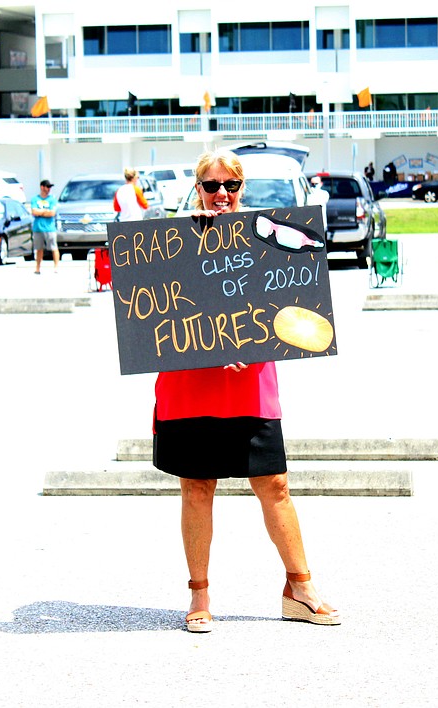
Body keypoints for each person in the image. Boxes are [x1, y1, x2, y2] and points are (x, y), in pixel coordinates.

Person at [154, 148, 340, 633]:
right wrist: (185, 234)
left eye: (230, 186)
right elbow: (150, 308)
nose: (221, 195)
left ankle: (299, 588)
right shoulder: (171, 239)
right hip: (189, 383)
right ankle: (199, 594)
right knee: (196, 487)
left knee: (275, 485)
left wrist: (247, 340)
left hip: (250, 382)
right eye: (211, 185)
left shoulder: (266, 236)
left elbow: (289, 304)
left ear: (242, 189)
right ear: (197, 188)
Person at [30, 179, 60, 274]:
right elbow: (34, 212)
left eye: (50, 187)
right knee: (39, 249)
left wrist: (41, 212)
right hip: (38, 228)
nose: (49, 189)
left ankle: (56, 267)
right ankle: (38, 268)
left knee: (53, 248)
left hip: (49, 228)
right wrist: (44, 212)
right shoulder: (35, 199)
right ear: (42, 187)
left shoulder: (52, 200)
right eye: (47, 187)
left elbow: (52, 213)